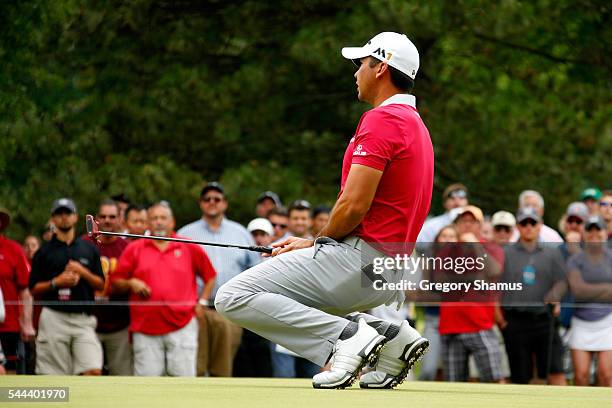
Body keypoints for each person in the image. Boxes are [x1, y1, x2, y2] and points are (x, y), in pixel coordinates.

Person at [215, 31, 434, 389]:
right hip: (390, 270)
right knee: (290, 298)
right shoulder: (417, 126)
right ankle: (393, 340)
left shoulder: (382, 120)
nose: (355, 72)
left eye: (361, 64)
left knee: (233, 296)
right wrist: (314, 243)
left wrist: (318, 241)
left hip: (360, 260)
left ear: (380, 68)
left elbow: (353, 204)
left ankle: (346, 338)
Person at [111, 202, 216, 376]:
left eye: (163, 218)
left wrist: (202, 301)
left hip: (182, 325)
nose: (159, 222)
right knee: (147, 387)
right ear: (148, 224)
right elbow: (116, 281)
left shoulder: (187, 246)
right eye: (154, 218)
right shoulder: (134, 249)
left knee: (184, 385)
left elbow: (210, 275)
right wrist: (131, 283)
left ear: (172, 222)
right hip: (145, 327)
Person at [178, 182, 261, 376]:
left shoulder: (240, 233)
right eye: (207, 199)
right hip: (196, 310)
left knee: (223, 370)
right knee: (194, 368)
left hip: (230, 310)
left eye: (217, 199)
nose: (212, 202)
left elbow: (255, 268)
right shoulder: (185, 234)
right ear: (200, 203)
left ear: (225, 203)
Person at [28, 198, 105, 375]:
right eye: (59, 214)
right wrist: (57, 282)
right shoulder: (44, 251)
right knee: (54, 376)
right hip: (54, 318)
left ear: (75, 217)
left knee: (93, 371)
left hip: (83, 318)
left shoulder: (89, 248)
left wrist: (82, 272)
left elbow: (101, 284)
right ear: (53, 219)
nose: (64, 217)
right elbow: (33, 288)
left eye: (68, 213)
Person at [499, 207, 567, 385]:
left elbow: (562, 281)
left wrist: (556, 293)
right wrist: (501, 320)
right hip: (516, 321)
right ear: (518, 227)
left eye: (532, 223)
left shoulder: (552, 252)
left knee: (552, 372)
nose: (528, 227)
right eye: (524, 223)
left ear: (540, 226)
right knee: (520, 376)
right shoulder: (506, 253)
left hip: (545, 319)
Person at [437, 205, 505, 383]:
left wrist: (475, 247)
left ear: (479, 226)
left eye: (472, 221)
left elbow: (495, 271)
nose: (467, 225)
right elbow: (438, 282)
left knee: (494, 381)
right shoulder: (447, 250)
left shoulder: (491, 248)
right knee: (453, 386)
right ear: (457, 225)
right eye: (463, 221)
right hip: (451, 325)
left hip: (480, 324)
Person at [82, 199, 132, 375]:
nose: (107, 220)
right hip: (87, 324)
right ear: (96, 219)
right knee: (89, 376)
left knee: (122, 378)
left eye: (112, 216)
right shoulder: (83, 245)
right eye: (103, 216)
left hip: (120, 325)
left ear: (120, 219)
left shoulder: (128, 248)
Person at [566, 215, 612, 386]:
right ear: (584, 234)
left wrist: (590, 289)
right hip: (581, 322)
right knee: (581, 376)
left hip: (608, 322)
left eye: (597, 230)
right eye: (589, 230)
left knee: (606, 376)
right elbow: (578, 290)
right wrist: (606, 288)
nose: (594, 234)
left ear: (605, 233)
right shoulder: (575, 260)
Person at [418, 225, 458, 381]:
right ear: (437, 240)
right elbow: (423, 292)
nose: (448, 240)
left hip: (458, 322)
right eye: (444, 236)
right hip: (434, 319)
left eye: (452, 236)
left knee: (454, 375)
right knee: (428, 370)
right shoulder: (429, 261)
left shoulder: (466, 262)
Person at [0, 208, 35, 374]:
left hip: (8, 325)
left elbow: (25, 291)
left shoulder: (13, 249)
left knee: (9, 372)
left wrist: (27, 323)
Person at [416, 183, 468, 252]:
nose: (457, 201)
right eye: (452, 198)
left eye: (461, 198)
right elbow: (417, 245)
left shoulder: (475, 224)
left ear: (467, 202)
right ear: (444, 203)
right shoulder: (431, 225)